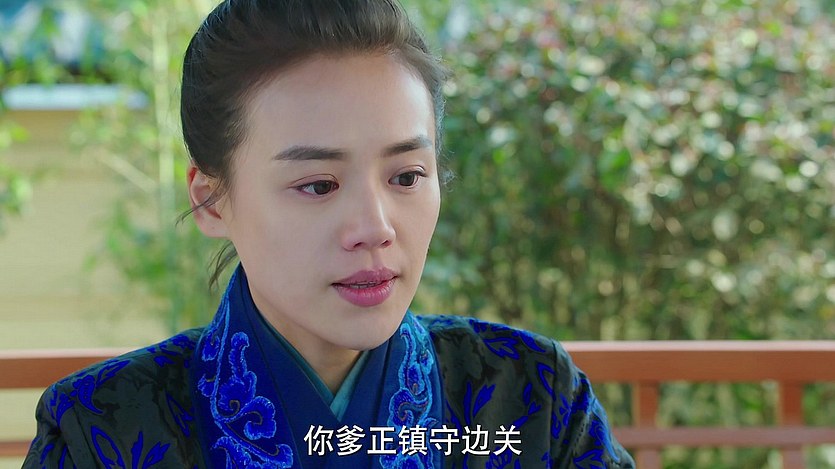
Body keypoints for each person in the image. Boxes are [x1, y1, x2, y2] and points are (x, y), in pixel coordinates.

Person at [24, 0, 634, 467]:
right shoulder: (100, 430)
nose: (374, 228)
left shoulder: (533, 400)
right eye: (318, 185)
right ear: (211, 199)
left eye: (406, 176)